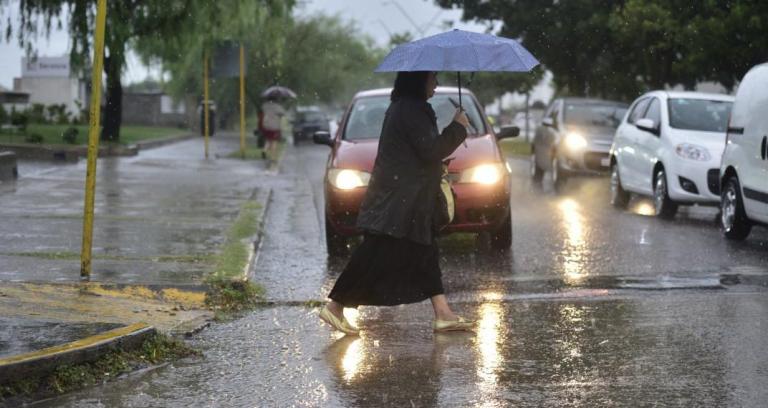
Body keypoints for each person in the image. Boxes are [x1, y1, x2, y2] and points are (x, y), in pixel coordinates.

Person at [319, 71, 473, 335]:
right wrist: (457, 127)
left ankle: (444, 314)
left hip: (408, 198)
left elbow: (418, 153)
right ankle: (335, 306)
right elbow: (430, 150)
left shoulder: (406, 107)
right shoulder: (412, 110)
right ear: (418, 80)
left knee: (425, 251)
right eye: (432, 78)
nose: (436, 84)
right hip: (399, 201)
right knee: (375, 252)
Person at [259, 97, 286, 162]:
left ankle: (264, 150)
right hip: (274, 127)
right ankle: (272, 158)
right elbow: (283, 113)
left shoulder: (265, 105)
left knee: (268, 140)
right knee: (274, 142)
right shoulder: (277, 106)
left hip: (266, 126)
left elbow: (262, 110)